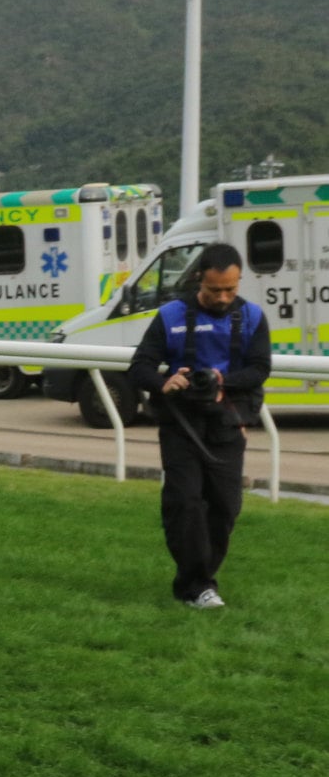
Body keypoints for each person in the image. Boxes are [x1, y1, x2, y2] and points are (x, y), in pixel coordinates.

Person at [126, 242, 270, 608]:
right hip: (181, 422)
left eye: (230, 289)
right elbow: (140, 366)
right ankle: (199, 587)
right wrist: (165, 382)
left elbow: (260, 368)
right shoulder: (170, 316)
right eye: (214, 290)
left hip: (227, 421)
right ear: (198, 280)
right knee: (185, 502)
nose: (222, 297)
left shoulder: (252, 317)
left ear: (239, 281)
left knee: (225, 507)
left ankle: (197, 581)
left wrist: (224, 382)